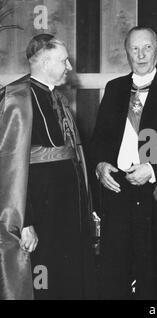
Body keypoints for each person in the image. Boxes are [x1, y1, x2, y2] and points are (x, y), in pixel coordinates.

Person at [90, 26, 157, 299]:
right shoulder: (114, 89)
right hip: (116, 190)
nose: (140, 54)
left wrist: (152, 169)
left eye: (147, 47)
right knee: (114, 269)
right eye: (134, 48)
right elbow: (100, 139)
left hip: (155, 191)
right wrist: (100, 166)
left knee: (154, 271)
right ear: (126, 52)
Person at [0, 34, 94, 299]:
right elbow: (9, 168)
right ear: (43, 62)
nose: (69, 67)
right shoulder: (15, 99)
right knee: (44, 281)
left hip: (67, 211)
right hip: (39, 212)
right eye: (64, 61)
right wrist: (25, 221)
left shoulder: (60, 99)